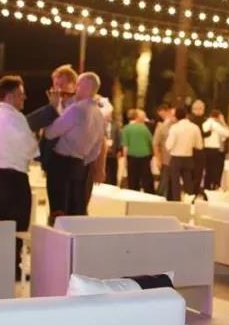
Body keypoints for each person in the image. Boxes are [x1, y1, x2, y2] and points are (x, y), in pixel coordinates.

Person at [0, 75, 39, 281]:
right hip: (14, 177)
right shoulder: (16, 117)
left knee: (1, 224)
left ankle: (2, 266)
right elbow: (30, 147)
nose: (24, 99)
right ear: (10, 96)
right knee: (18, 226)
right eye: (20, 95)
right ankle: (13, 268)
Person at [43, 72, 106, 216]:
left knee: (59, 213)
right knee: (75, 212)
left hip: (61, 166)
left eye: (78, 85)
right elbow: (96, 148)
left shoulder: (76, 109)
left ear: (83, 87)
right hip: (81, 166)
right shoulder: (99, 114)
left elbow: (50, 133)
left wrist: (54, 108)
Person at [27, 64, 79, 224]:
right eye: (55, 85)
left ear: (73, 85)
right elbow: (34, 126)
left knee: (70, 206)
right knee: (55, 204)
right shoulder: (56, 104)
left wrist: (54, 110)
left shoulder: (76, 107)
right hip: (53, 162)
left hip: (71, 162)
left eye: (61, 84)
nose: (57, 89)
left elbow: (56, 131)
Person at [166, 105, 203, 201]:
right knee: (188, 182)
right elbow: (199, 145)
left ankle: (176, 202)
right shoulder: (194, 127)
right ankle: (190, 201)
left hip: (176, 158)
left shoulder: (174, 128)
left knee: (175, 183)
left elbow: (168, 145)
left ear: (176, 117)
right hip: (188, 157)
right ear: (186, 115)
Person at [121, 109, 155, 193]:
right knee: (146, 177)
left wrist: (125, 159)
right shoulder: (144, 128)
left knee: (133, 178)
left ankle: (134, 194)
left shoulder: (126, 128)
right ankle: (149, 194)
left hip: (132, 156)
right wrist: (153, 154)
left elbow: (125, 146)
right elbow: (151, 142)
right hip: (145, 155)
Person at [201, 109, 229, 191]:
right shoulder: (215, 124)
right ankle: (214, 187)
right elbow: (228, 133)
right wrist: (223, 122)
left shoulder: (205, 123)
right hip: (214, 151)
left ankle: (207, 188)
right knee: (216, 170)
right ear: (218, 117)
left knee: (208, 171)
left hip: (206, 150)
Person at [152, 103, 174, 198]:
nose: (162, 117)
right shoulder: (162, 126)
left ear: (168, 111)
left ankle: (165, 198)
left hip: (172, 158)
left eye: (162, 114)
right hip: (166, 158)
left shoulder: (166, 125)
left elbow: (155, 143)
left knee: (170, 181)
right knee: (165, 180)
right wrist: (158, 158)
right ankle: (160, 197)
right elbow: (155, 143)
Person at [189, 99, 208, 194]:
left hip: (193, 150)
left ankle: (192, 191)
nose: (202, 111)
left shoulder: (190, 120)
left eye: (202, 108)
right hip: (197, 149)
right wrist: (209, 133)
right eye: (200, 109)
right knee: (197, 172)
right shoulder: (197, 120)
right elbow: (201, 133)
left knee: (194, 173)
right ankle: (194, 191)